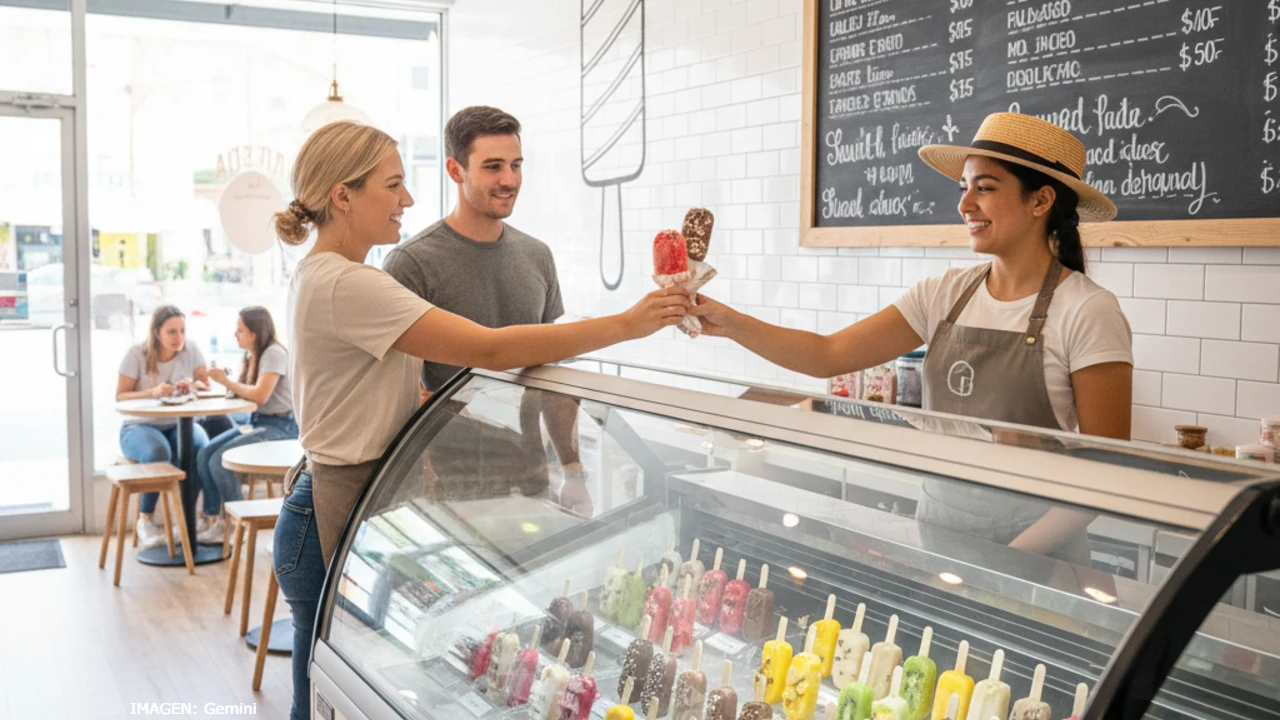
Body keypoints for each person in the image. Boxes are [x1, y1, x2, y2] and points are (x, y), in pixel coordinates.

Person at [271, 120, 689, 720]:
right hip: (331, 507)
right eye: (392, 185)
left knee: (328, 697)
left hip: (340, 502)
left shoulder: (325, 275)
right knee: (326, 702)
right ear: (343, 195)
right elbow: (490, 349)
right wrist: (628, 324)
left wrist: (567, 464)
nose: (406, 199)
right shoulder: (348, 283)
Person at [690, 112, 1133, 563]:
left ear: (1040, 200)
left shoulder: (1088, 310)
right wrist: (729, 322)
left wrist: (1014, 558)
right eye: (963, 188)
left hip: (1039, 549)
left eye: (984, 188)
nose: (965, 205)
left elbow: (1108, 471)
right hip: (940, 527)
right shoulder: (943, 294)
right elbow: (828, 355)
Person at [383, 105, 589, 513]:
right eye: (493, 167)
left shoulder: (538, 256)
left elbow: (551, 376)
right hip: (445, 489)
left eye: (516, 165)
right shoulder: (411, 263)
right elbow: (398, 392)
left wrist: (572, 471)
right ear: (455, 170)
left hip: (530, 479)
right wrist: (419, 485)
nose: (509, 180)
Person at [192, 306, 298, 543]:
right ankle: (213, 518)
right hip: (260, 422)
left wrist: (225, 381)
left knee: (218, 460)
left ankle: (235, 526)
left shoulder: (273, 353)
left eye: (240, 330)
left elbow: (260, 395)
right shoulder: (254, 355)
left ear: (253, 333)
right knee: (205, 454)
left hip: (281, 428)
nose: (235, 335)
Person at [115, 304, 212, 548]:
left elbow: (205, 385)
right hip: (139, 427)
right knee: (159, 452)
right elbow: (121, 395)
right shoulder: (136, 354)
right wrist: (152, 392)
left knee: (200, 447)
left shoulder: (190, 349)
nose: (179, 337)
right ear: (157, 332)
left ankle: (189, 519)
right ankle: (145, 520)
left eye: (182, 330)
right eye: (171, 332)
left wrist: (192, 385)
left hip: (179, 423)